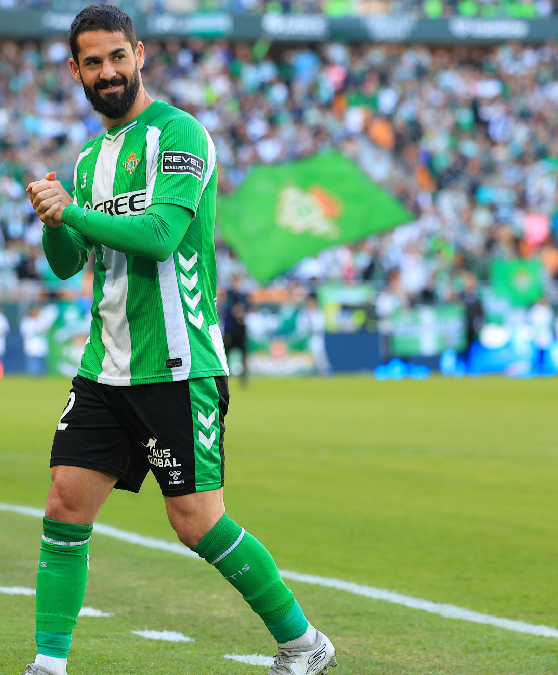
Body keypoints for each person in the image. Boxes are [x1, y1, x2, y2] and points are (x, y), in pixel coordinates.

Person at [22, 7, 336, 675]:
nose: (107, 71)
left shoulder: (180, 134)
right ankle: (49, 664)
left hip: (177, 361)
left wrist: (71, 210)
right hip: (104, 367)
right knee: (64, 502)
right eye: (92, 62)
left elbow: (163, 236)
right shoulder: (86, 159)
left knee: (196, 520)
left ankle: (305, 644)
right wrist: (55, 219)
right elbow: (65, 260)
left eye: (117, 57)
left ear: (140, 55)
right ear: (74, 70)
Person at [19, 303, 53, 377]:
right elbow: (24, 331)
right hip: (31, 343)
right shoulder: (27, 320)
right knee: (32, 359)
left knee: (40, 359)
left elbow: (46, 329)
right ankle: (32, 374)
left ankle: (41, 373)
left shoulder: (42, 320)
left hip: (41, 343)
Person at [300, 295, 330, 375]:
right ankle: (309, 372)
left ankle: (325, 372)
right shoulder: (303, 313)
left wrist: (311, 328)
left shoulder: (319, 313)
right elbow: (301, 327)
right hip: (306, 340)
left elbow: (319, 327)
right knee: (307, 358)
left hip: (316, 339)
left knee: (320, 357)